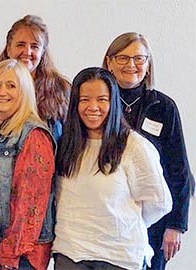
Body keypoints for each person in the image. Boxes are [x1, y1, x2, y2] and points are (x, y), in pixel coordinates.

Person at [52, 67, 172, 270]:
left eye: (102, 99)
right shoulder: (65, 145)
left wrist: (125, 223)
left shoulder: (134, 146)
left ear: (113, 102)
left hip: (120, 257)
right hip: (71, 254)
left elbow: (159, 202)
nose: (93, 107)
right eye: (84, 100)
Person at [102, 32, 194, 269]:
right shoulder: (98, 104)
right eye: (122, 58)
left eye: (139, 58)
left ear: (148, 64)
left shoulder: (164, 107)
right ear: (109, 63)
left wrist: (176, 225)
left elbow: (179, 169)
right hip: (108, 218)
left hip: (153, 223)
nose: (131, 65)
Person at [0, 59, 56, 270]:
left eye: (11, 86)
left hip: (20, 256)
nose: (2, 92)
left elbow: (31, 204)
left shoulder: (34, 135)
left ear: (24, 92)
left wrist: (11, 256)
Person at [0, 15, 70, 140]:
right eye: (20, 45)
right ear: (8, 49)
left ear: (43, 52)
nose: (27, 52)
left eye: (35, 46)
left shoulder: (61, 90)